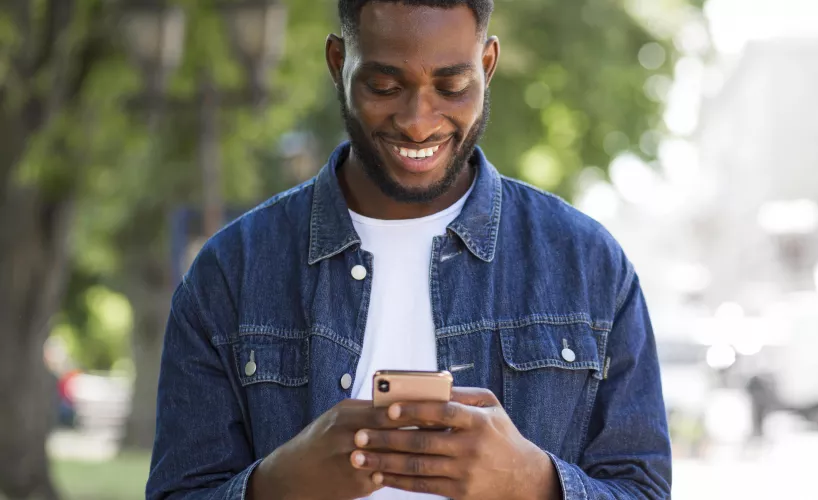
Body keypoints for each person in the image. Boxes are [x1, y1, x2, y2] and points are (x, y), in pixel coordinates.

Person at [146, 1, 671, 499]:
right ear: (337, 64)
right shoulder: (230, 272)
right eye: (384, 85)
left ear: (487, 66)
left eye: (452, 86)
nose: (418, 121)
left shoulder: (589, 265)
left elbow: (642, 488)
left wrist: (534, 483)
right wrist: (276, 485)